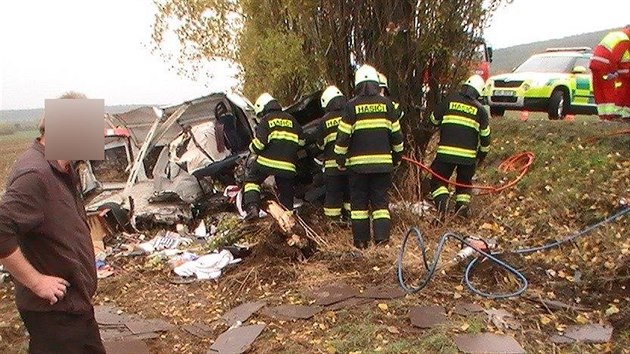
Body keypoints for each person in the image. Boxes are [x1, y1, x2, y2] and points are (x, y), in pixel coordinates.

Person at [0, 91, 106, 354]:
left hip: (75, 306)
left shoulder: (64, 169)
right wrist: (36, 282)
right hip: (54, 313)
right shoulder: (35, 174)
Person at [334, 64, 404, 249]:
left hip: (358, 168)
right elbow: (397, 136)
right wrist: (397, 158)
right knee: (381, 204)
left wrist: (340, 160)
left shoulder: (351, 107)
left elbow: (342, 138)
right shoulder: (388, 105)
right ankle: (382, 241)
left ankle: (361, 242)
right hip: (382, 166)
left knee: (359, 206)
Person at [428, 74, 490, 222]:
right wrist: (481, 156)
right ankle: (461, 216)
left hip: (445, 154)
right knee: (463, 185)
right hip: (468, 159)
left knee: (438, 181)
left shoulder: (449, 101)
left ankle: (443, 209)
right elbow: (486, 139)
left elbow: (433, 119)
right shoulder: (481, 111)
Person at [243, 93, 305, 220]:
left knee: (252, 181)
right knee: (286, 191)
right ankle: (288, 220)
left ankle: (253, 209)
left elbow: (259, 144)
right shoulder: (291, 119)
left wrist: (251, 148)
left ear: (262, 108)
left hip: (267, 163)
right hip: (288, 166)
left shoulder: (266, 120)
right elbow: (302, 142)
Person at [317, 85, 351, 223]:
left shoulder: (325, 120)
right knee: (350, 195)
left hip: (332, 168)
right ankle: (350, 221)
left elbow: (320, 144)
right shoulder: (350, 114)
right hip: (351, 165)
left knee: (333, 197)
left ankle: (334, 224)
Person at [589, 26, 630, 121]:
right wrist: (614, 71)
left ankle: (604, 117)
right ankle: (612, 117)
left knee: (600, 90)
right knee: (609, 90)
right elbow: (617, 58)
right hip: (605, 64)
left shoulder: (617, 35)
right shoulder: (625, 41)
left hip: (595, 62)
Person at [614, 25, 630, 121]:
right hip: (624, 69)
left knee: (622, 92)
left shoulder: (621, 35)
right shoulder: (626, 37)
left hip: (620, 70)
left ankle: (620, 114)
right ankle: (623, 115)